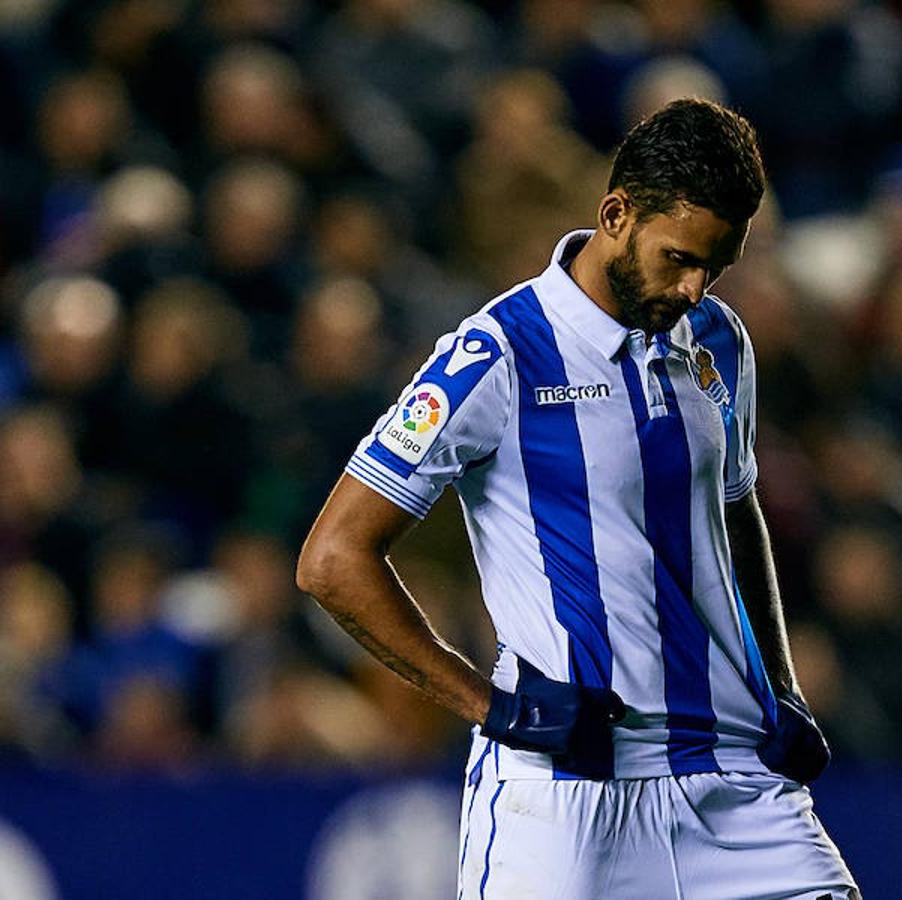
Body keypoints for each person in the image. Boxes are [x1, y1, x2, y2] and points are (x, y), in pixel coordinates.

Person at [297, 98, 859, 899]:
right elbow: (332, 559)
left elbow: (735, 510)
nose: (695, 287)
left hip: (733, 779)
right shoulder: (497, 354)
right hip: (564, 794)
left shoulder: (720, 341)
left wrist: (781, 685)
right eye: (679, 259)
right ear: (615, 214)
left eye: (716, 266)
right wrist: (489, 706)